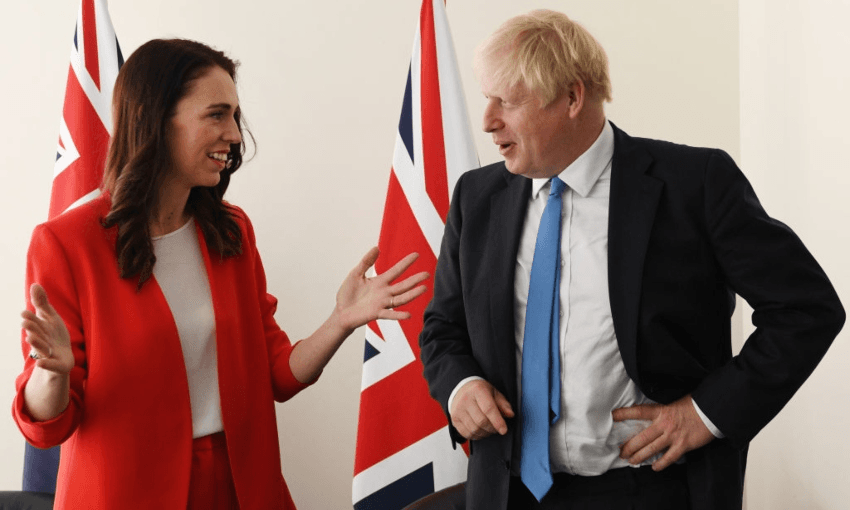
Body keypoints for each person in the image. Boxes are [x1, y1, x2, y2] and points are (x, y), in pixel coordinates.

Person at [418, 9, 844, 510]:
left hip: (651, 490)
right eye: (485, 98)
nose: (487, 120)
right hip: (507, 492)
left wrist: (706, 413)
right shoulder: (476, 195)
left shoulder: (696, 184)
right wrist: (461, 386)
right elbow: (443, 328)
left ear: (572, 97)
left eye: (506, 101)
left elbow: (807, 309)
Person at [13, 38, 429, 510]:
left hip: (240, 488)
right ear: (156, 119)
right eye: (216, 114)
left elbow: (277, 374)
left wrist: (342, 320)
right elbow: (47, 424)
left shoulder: (231, 231)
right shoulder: (67, 244)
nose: (234, 134)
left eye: (235, 116)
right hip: (125, 493)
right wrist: (54, 373)